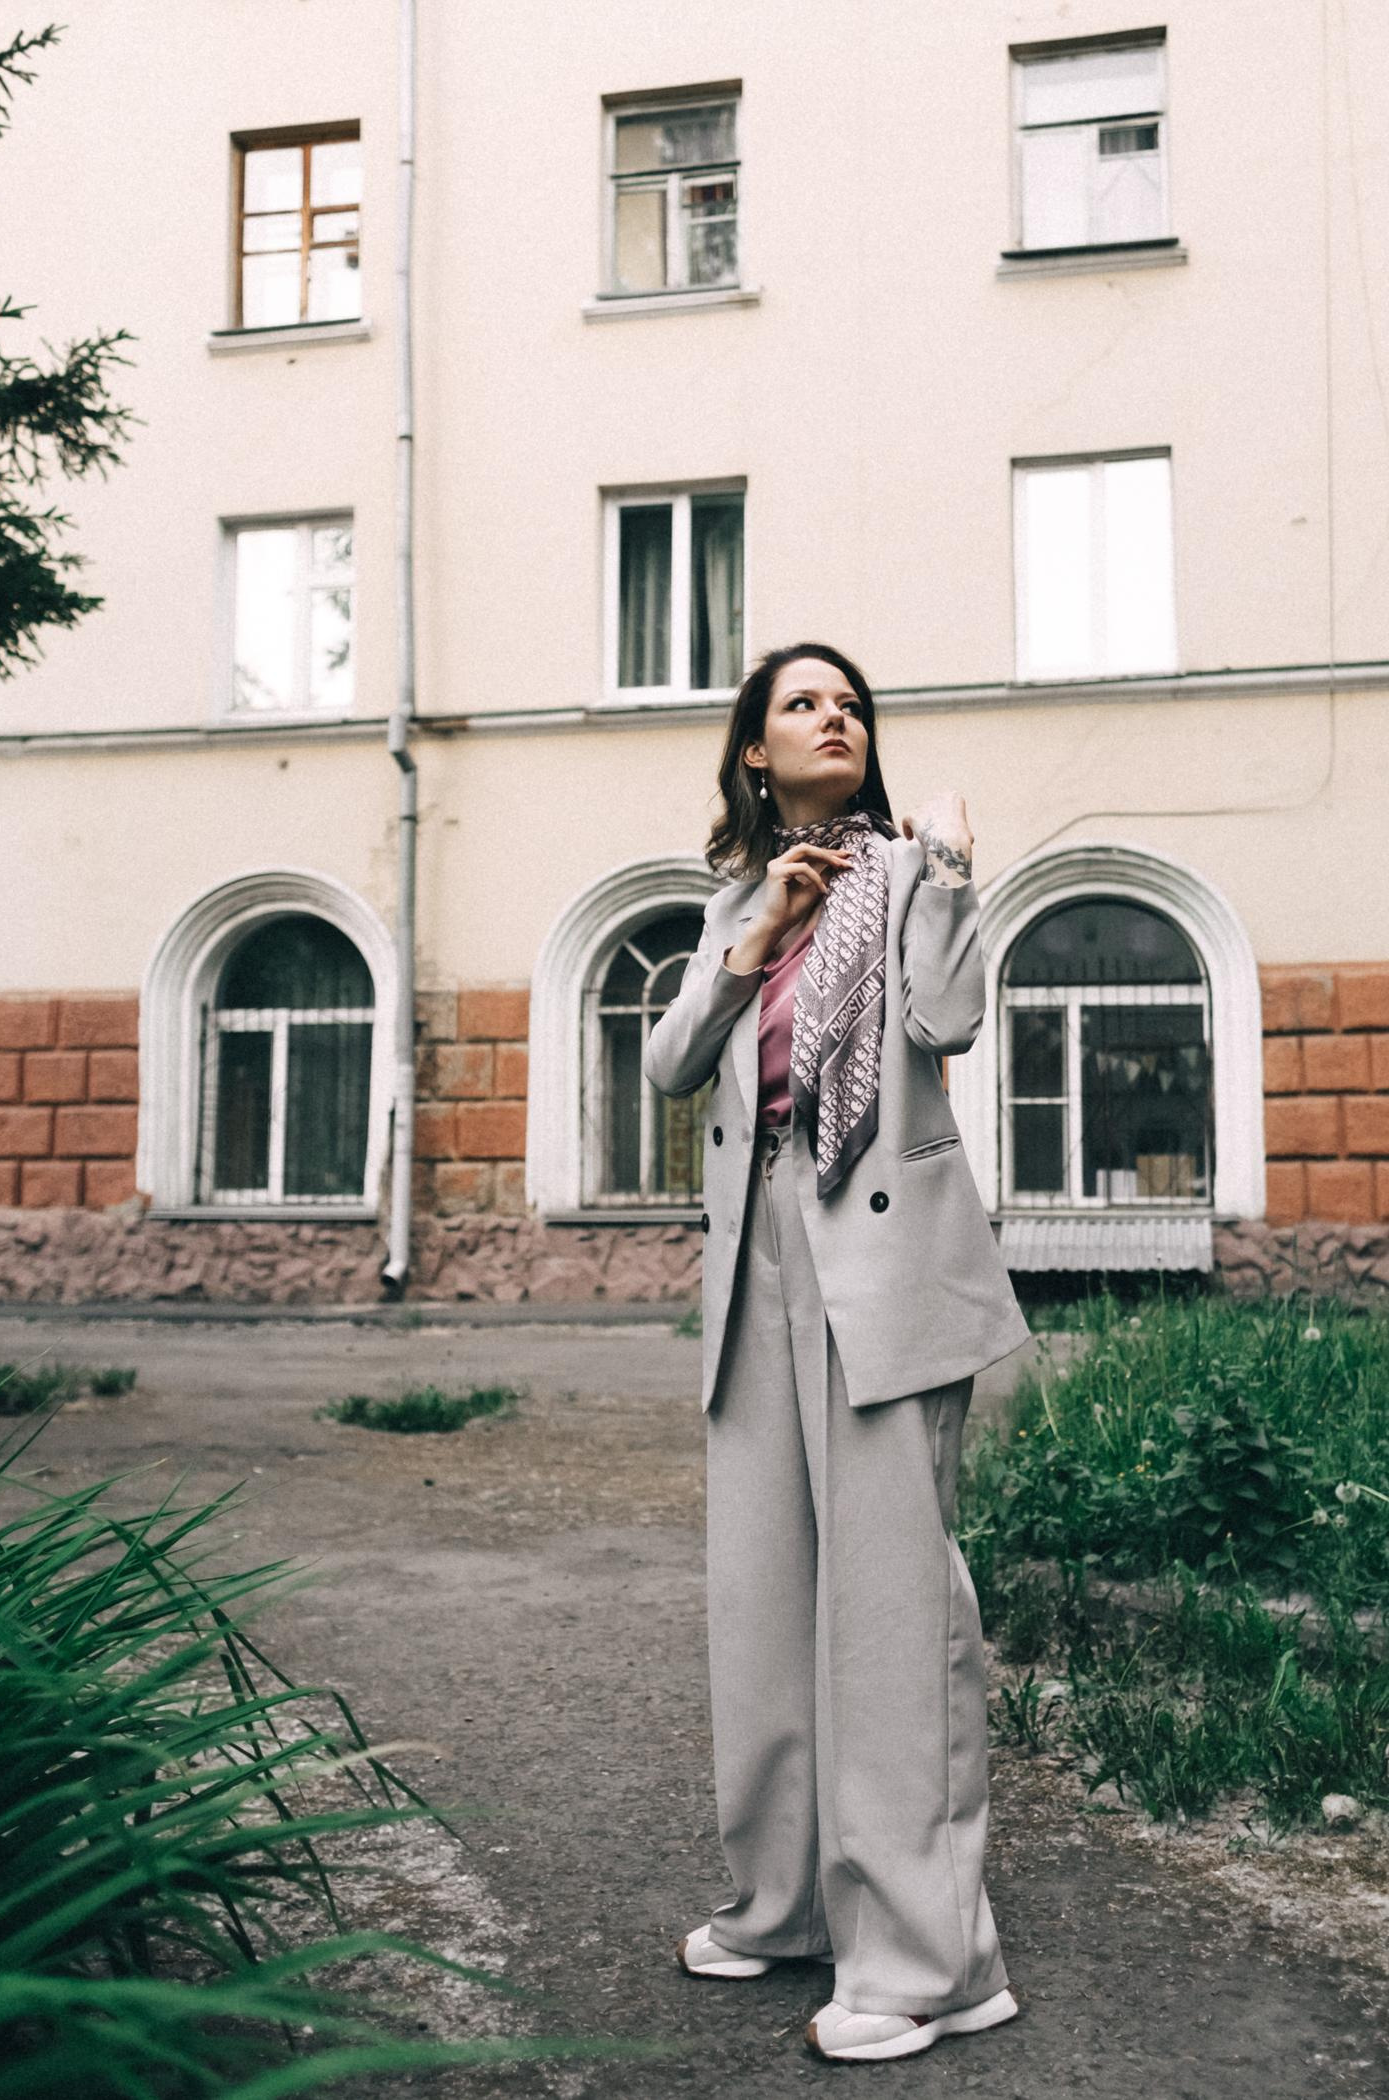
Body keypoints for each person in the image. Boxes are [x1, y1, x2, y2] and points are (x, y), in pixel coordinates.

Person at [642, 641, 1033, 2066]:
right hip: (759, 1266)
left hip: (885, 1268)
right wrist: (754, 941)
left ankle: (933, 1965)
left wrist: (953, 873)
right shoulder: (736, 902)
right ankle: (787, 1906)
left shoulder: (910, 872)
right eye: (802, 704)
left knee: (889, 1620)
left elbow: (947, 1022)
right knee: (762, 1608)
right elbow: (672, 1066)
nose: (835, 719)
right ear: (754, 749)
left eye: (851, 704)